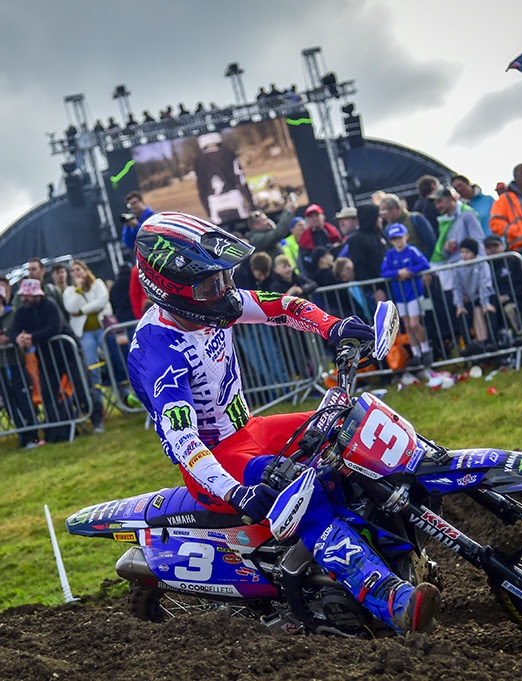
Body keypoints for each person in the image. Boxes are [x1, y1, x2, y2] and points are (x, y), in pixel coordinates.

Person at [128, 211, 440, 634]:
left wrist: (334, 327)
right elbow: (183, 440)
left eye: (225, 277)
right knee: (303, 493)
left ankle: (398, 527)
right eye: (210, 284)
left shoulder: (208, 304)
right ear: (170, 289)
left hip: (248, 430)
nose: (224, 291)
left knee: (349, 423)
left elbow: (282, 306)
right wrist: (235, 492)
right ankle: (388, 598)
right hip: (215, 462)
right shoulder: (158, 352)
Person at [8, 278, 105, 438]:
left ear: (38, 295)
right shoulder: (21, 312)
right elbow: (13, 330)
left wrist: (32, 337)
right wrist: (18, 338)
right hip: (46, 358)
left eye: (28, 295)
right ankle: (56, 428)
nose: (24, 299)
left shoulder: (50, 305)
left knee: (82, 387)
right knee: (48, 393)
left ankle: (96, 420)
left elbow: (55, 328)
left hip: (68, 352)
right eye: (23, 295)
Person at [0, 285, 42, 449]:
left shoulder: (14, 314)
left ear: (1, 298)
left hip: (17, 363)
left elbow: (20, 331)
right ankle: (22, 435)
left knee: (24, 399)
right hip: (0, 366)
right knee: (9, 402)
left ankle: (33, 434)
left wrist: (9, 339)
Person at [381, 223, 433, 371]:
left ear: (406, 237)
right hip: (400, 295)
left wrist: (410, 271)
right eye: (394, 239)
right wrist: (398, 273)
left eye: (400, 237)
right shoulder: (390, 255)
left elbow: (425, 264)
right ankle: (416, 353)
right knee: (408, 325)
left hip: (414, 293)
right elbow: (384, 272)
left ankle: (426, 350)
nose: (398, 241)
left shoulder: (412, 251)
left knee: (415, 323)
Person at [193, 131, 254, 225]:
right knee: (243, 227)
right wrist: (252, 205)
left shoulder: (198, 161)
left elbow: (201, 188)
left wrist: (208, 212)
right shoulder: (228, 153)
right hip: (234, 198)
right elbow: (240, 179)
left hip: (214, 202)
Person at [451, 238, 498, 353]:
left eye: (467, 252)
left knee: (486, 311)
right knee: (462, 315)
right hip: (468, 299)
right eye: (462, 252)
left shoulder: (482, 264)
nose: (464, 255)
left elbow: (484, 284)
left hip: (485, 296)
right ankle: (469, 346)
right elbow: (457, 287)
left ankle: (490, 342)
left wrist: (485, 303)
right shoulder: (458, 267)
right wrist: (459, 305)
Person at [63, 260, 112, 368]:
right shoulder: (69, 291)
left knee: (112, 358)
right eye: (72, 271)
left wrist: (81, 311)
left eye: (78, 269)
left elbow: (101, 302)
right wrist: (78, 289)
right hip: (85, 333)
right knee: (91, 363)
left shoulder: (97, 284)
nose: (76, 272)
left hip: (103, 328)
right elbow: (71, 308)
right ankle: (96, 379)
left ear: (85, 271)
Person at [379, 193, 436, 259]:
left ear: (394, 208)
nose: (383, 216)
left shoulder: (416, 219)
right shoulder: (388, 229)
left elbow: (430, 243)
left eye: (384, 212)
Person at [297, 205, 342, 275]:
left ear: (323, 216)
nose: (314, 219)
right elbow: (304, 261)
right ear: (307, 220)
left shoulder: (333, 232)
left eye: (317, 215)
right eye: (311, 217)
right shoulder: (305, 239)